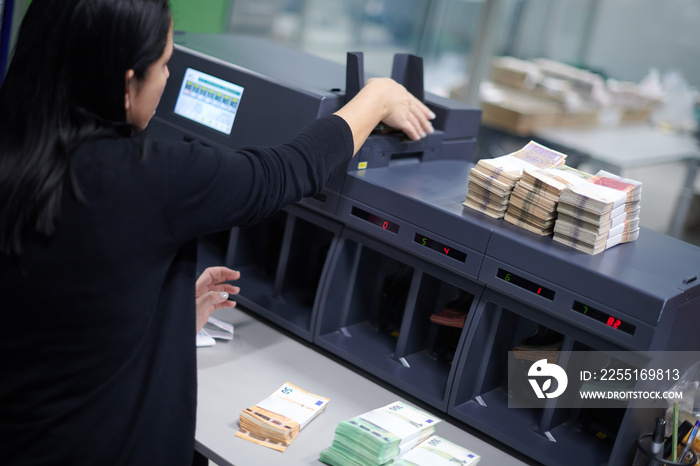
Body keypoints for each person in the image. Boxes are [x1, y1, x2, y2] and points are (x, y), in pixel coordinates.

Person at [0, 0, 435, 464]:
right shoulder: (149, 177)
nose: (169, 78)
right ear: (127, 84)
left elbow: (58, 301)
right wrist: (378, 97)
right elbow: (286, 172)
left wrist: (153, 316)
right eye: (165, 64)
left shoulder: (19, 156)